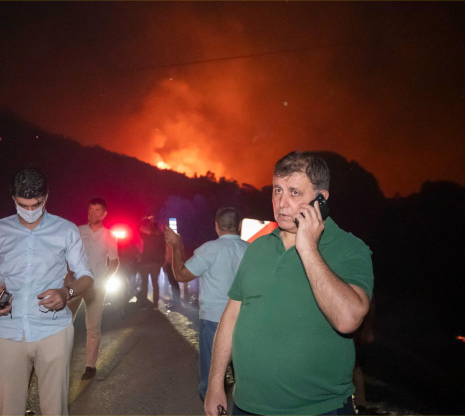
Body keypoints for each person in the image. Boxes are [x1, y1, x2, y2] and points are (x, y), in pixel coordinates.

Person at [204, 152, 374, 416]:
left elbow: (348, 320)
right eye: (277, 190)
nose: (281, 204)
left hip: (318, 410)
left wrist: (308, 248)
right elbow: (232, 315)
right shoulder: (258, 248)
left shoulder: (350, 249)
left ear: (321, 200)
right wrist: (215, 384)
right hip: (246, 406)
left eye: (294, 192)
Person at [0, 168, 94, 416]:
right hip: (7, 331)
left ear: (46, 197)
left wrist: (66, 292)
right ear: (13, 199)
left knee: (54, 410)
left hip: (53, 331)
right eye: (23, 205)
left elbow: (86, 276)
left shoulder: (66, 230)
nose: (30, 211)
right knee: (8, 410)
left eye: (35, 204)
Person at [164, 207, 249, 400]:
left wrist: (177, 245)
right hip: (244, 320)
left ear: (217, 226)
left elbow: (181, 275)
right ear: (240, 226)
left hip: (214, 321)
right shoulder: (251, 250)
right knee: (244, 378)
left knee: (212, 381)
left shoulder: (209, 249)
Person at [66, 198, 119, 381]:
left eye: (97, 210)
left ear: (104, 214)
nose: (92, 213)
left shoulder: (109, 235)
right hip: (76, 283)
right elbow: (67, 254)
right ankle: (60, 360)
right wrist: (68, 275)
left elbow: (114, 262)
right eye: (90, 210)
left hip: (96, 286)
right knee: (64, 322)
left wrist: (105, 280)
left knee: (93, 327)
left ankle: (90, 366)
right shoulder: (78, 231)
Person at [137, 221, 165, 309]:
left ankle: (143, 303)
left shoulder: (145, 236)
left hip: (145, 262)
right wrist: (161, 262)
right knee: (155, 283)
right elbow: (163, 250)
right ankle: (155, 303)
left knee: (144, 283)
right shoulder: (160, 237)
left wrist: (143, 221)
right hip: (155, 263)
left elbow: (139, 229)